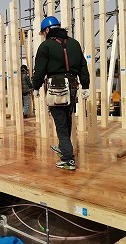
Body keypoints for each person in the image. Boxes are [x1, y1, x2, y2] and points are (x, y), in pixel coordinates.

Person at [32, 16, 90, 171]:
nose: (43, 36)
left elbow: (40, 69)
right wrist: (86, 85)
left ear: (47, 30)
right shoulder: (74, 44)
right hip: (72, 86)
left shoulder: (46, 46)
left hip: (56, 87)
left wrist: (35, 87)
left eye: (43, 33)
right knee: (66, 119)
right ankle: (64, 147)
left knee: (60, 123)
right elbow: (83, 66)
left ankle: (68, 159)